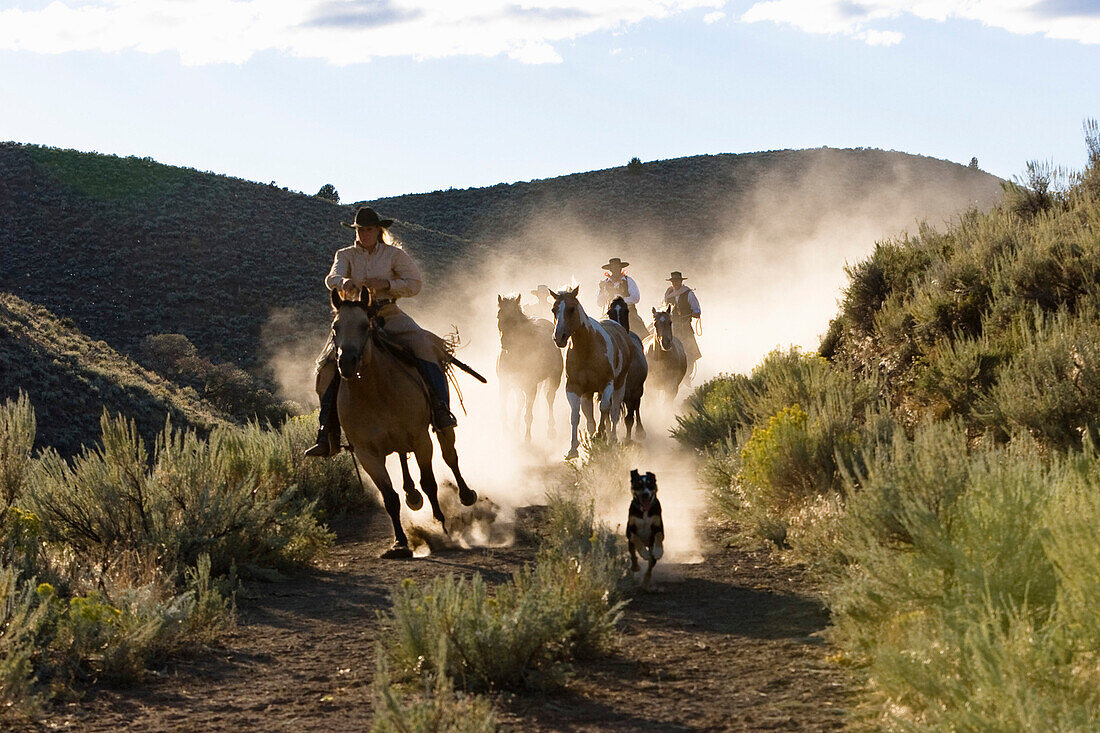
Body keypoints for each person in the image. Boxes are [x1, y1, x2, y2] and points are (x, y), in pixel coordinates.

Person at [305, 206, 456, 458]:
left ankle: (441, 411)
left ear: (378, 230)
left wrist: (387, 284)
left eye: (369, 229)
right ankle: (327, 434)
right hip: (355, 319)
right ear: (356, 231)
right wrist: (343, 282)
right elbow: (332, 277)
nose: (365, 234)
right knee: (327, 367)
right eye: (361, 230)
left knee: (424, 347)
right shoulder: (345, 255)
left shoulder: (394, 255)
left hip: (388, 315)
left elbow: (415, 283)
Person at [596, 257, 647, 334]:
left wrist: (619, 301)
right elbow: (599, 303)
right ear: (610, 270)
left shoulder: (628, 280)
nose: (615, 270)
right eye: (613, 268)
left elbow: (636, 298)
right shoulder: (604, 283)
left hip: (629, 312)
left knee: (640, 328)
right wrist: (603, 290)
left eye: (617, 267)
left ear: (620, 268)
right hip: (609, 313)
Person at [663, 271, 701, 369]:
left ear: (681, 281)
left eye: (677, 280)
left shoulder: (688, 293)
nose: (675, 283)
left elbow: (696, 309)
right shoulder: (669, 293)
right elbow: (664, 307)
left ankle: (688, 371)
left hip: (685, 326)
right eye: (673, 281)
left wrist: (694, 313)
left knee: (689, 350)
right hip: (671, 326)